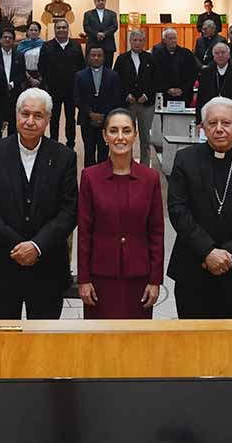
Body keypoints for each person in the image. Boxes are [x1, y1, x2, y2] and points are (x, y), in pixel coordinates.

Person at [0, 88, 78, 319]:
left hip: (47, 266)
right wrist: (20, 245)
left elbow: (69, 210)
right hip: (0, 264)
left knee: (43, 346)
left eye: (38, 115)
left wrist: (37, 246)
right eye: (25, 114)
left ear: (49, 119)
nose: (30, 121)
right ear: (16, 114)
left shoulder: (64, 157)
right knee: (5, 344)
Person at [168, 96, 232, 318]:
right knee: (192, 346)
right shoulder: (185, 160)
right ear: (203, 127)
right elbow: (178, 211)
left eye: (226, 123)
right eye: (212, 123)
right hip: (192, 269)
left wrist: (227, 255)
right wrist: (207, 251)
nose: (219, 129)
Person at [78, 108, 164, 319]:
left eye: (126, 131)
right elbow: (84, 232)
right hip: (100, 277)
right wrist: (83, 279)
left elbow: (156, 232)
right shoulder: (90, 177)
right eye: (114, 131)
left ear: (135, 135)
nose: (120, 137)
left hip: (139, 277)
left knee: (136, 345)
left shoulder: (150, 178)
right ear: (105, 136)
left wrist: (155, 280)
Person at [39, 19, 85, 148]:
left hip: (71, 89)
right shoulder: (47, 46)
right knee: (54, 119)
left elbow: (82, 67)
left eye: (64, 27)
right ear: (55, 30)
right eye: (58, 28)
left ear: (68, 29)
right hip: (54, 89)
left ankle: (70, 144)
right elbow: (41, 67)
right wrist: (46, 85)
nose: (61, 30)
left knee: (71, 119)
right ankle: (54, 144)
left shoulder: (75, 46)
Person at [114, 30, 157, 166]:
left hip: (146, 104)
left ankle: (144, 166)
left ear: (144, 42)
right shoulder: (122, 59)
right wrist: (126, 95)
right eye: (135, 40)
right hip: (128, 104)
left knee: (145, 138)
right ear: (130, 41)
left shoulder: (150, 58)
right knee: (127, 135)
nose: (137, 43)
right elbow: (116, 80)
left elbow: (156, 80)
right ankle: (127, 163)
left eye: (140, 40)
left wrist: (147, 95)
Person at [74, 46, 123, 165]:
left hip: (106, 121)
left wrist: (103, 116)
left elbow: (116, 98)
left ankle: (103, 181)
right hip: (87, 119)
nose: (96, 58)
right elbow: (77, 98)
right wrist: (90, 113)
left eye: (99, 55)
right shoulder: (80, 75)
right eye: (93, 55)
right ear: (88, 57)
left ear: (104, 58)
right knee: (89, 151)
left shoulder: (113, 75)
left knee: (104, 152)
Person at [196, 43, 232, 124]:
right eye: (217, 53)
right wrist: (199, 121)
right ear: (213, 57)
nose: (220, 55)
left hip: (231, 115)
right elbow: (200, 98)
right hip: (211, 115)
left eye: (223, 52)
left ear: (228, 55)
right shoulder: (206, 73)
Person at [0, 28, 29, 135]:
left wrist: (12, 84)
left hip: (14, 93)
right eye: (5, 37)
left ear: (13, 40)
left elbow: (22, 74)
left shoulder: (19, 55)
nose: (7, 39)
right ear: (0, 40)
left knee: (14, 124)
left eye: (10, 38)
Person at [152, 28, 200, 105]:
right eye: (170, 38)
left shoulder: (186, 53)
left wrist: (182, 89)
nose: (173, 41)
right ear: (164, 40)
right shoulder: (157, 55)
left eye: (174, 38)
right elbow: (155, 75)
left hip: (184, 94)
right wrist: (167, 89)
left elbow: (193, 74)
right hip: (165, 94)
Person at [82, 0, 118, 67]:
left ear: (105, 1)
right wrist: (96, 34)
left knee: (107, 69)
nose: (101, 2)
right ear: (94, 2)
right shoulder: (88, 14)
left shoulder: (112, 14)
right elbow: (86, 27)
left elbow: (114, 26)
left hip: (108, 46)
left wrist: (104, 34)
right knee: (91, 68)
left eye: (102, 0)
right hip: (93, 45)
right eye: (98, 0)